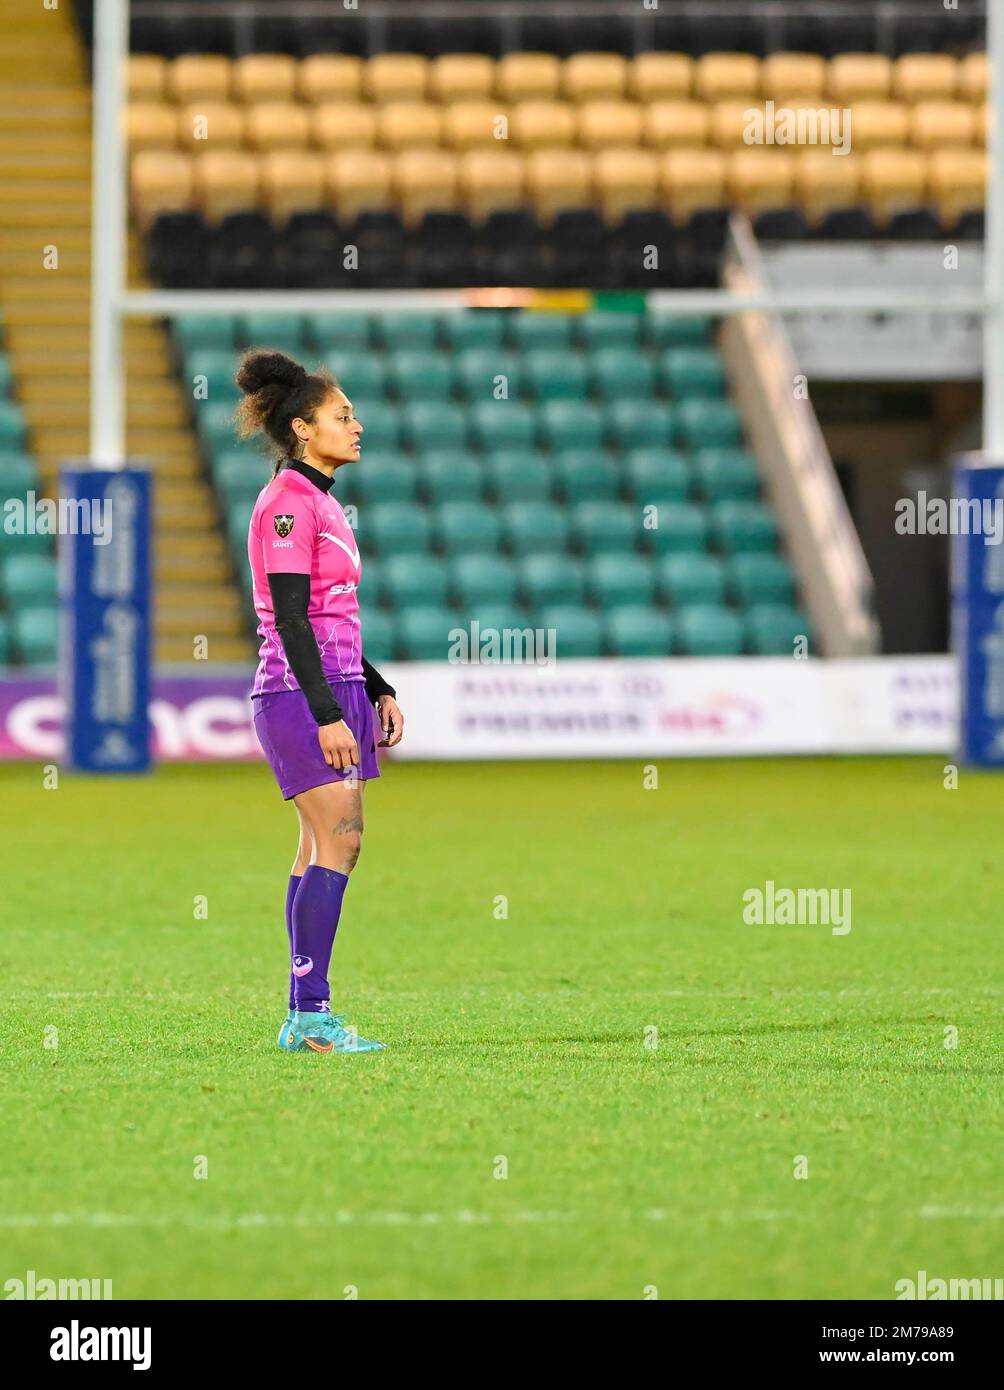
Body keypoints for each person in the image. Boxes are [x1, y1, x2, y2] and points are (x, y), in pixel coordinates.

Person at [236, 349, 403, 1055]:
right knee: (342, 841)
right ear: (303, 428)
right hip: (302, 695)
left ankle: (303, 1014)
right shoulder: (287, 504)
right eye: (343, 415)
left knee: (319, 846)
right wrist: (329, 714)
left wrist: (375, 685)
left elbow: (331, 616)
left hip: (335, 686)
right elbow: (290, 618)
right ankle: (310, 1017)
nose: (356, 426)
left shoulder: (321, 501)